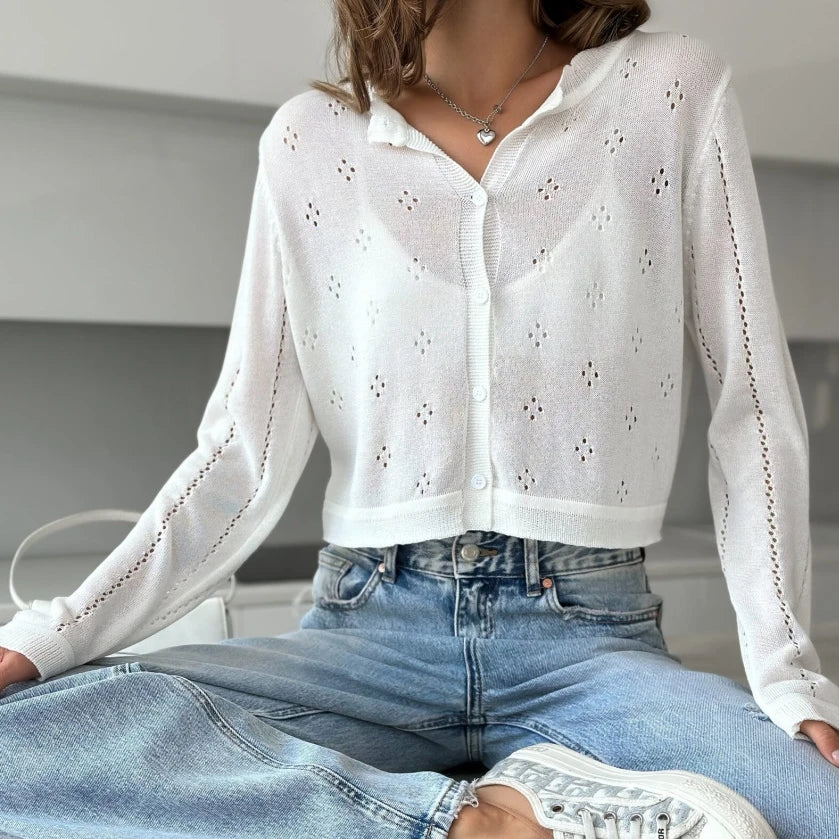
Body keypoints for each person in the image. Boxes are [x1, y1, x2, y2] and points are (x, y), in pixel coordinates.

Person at [1, 1, 837, 836]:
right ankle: (468, 822)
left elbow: (753, 404)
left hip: (588, 643)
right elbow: (239, 455)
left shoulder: (668, 89)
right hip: (365, 633)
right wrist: (59, 633)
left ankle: (511, 793)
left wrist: (784, 668)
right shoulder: (310, 140)